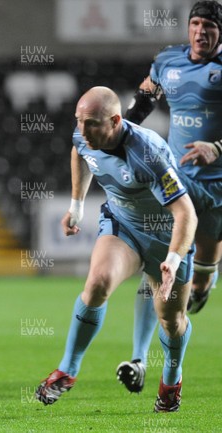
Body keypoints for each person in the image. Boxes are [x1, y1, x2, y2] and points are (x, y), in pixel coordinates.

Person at [35, 87, 197, 412]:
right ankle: (68, 370)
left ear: (115, 121)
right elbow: (79, 151)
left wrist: (173, 258)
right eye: (79, 121)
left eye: (92, 123)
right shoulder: (85, 133)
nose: (83, 131)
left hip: (167, 237)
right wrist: (76, 206)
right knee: (97, 284)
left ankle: (171, 379)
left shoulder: (148, 153)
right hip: (124, 225)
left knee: (171, 320)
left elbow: (186, 213)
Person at [117, 0, 222, 393]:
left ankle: (205, 281)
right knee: (158, 269)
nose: (200, 31)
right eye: (195, 23)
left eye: (209, 25)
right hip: (177, 183)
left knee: (196, 289)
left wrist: (217, 148)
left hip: (219, 187)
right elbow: (143, 103)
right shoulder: (167, 61)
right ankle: (140, 358)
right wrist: (120, 136)